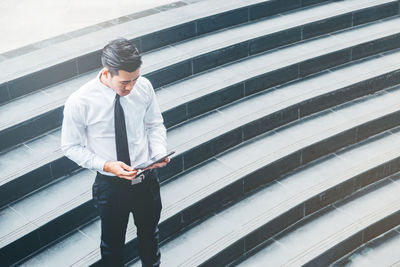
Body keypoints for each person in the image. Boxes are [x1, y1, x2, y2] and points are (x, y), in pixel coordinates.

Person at [61, 37, 169, 267]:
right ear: (106, 72)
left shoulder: (144, 87)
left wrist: (158, 152)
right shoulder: (80, 102)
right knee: (112, 247)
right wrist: (107, 165)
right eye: (124, 82)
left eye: (135, 79)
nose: (130, 87)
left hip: (146, 180)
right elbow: (70, 146)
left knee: (150, 238)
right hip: (111, 188)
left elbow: (154, 125)